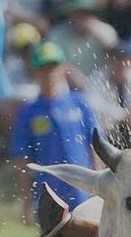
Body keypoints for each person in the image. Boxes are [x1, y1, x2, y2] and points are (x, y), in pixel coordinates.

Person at [8, 41, 99, 223]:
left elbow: (95, 146)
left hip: (84, 192)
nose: (49, 73)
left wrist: (99, 186)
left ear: (64, 68)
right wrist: (27, 200)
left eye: (53, 67)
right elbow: (21, 159)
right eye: (43, 68)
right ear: (35, 72)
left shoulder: (80, 104)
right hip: (50, 196)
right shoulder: (29, 112)